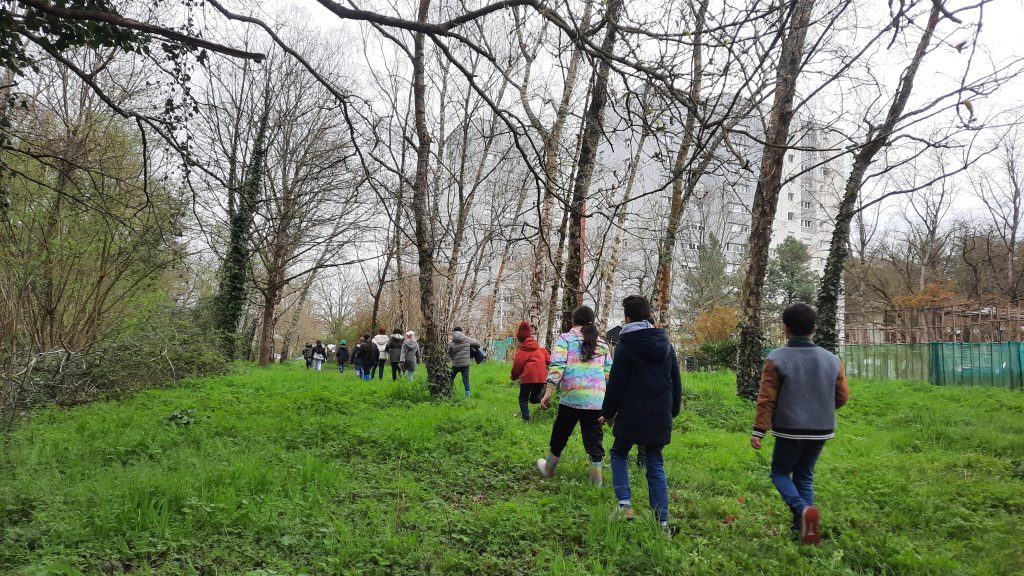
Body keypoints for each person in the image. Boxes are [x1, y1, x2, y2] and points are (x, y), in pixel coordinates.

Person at [751, 302, 850, 545]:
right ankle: (803, 530)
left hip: (790, 430)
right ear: (814, 328)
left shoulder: (776, 358)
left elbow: (766, 399)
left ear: (785, 328)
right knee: (804, 476)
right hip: (822, 429)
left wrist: (759, 430)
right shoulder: (831, 359)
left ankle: (801, 509)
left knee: (779, 472)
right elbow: (842, 397)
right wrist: (819, 410)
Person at [601, 296, 682, 533]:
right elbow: (676, 381)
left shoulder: (625, 345)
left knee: (618, 453)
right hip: (659, 414)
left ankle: (624, 505)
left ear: (627, 318)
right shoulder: (666, 344)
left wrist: (607, 412)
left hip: (631, 413)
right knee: (655, 461)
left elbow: (616, 384)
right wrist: (673, 411)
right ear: (648, 316)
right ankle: (662, 524)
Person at [536, 306, 612, 487]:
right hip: (595, 400)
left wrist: (548, 392)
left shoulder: (565, 339)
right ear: (592, 322)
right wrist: (610, 407)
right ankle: (596, 481)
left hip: (571, 397)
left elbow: (557, 366)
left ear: (573, 321)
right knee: (594, 439)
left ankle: (548, 469)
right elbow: (609, 375)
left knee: (560, 434)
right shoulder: (603, 344)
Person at [511, 321, 550, 422]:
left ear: (519, 339)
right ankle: (546, 401)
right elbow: (549, 360)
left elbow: (517, 367)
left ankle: (526, 420)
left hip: (528, 378)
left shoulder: (521, 351)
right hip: (541, 378)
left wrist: (513, 377)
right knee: (533, 399)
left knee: (523, 398)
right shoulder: (541, 350)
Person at [447, 326, 481, 398]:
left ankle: (449, 392)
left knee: (450, 378)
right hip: (465, 364)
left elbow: (449, 353)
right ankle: (467, 397)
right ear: (461, 332)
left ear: (454, 332)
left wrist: (453, 359)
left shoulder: (451, 342)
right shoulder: (466, 339)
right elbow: (478, 344)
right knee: (466, 380)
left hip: (455, 364)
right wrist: (473, 339)